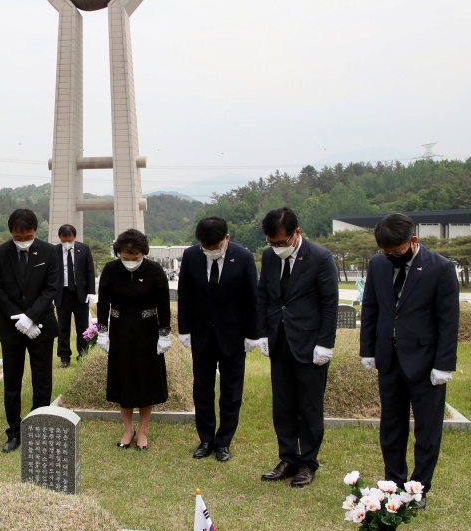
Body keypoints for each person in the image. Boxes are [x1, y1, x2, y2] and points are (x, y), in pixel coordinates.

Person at [360, 213, 459, 507]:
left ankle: (418, 488)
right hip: (388, 360)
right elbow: (371, 309)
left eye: (396, 251)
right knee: (391, 426)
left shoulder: (440, 268)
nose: (390, 256)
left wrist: (444, 364)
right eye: (385, 251)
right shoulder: (377, 265)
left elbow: (448, 320)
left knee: (427, 429)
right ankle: (393, 483)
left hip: (426, 362)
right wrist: (368, 350)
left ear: (412, 241)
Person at [257, 207, 338, 488]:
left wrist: (325, 344)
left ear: (296, 234)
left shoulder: (321, 258)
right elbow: (264, 296)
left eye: (282, 242)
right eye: (272, 242)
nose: (277, 247)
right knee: (283, 405)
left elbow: (329, 305)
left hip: (310, 344)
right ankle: (288, 458)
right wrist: (263, 334)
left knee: (309, 406)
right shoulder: (269, 257)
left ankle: (308, 462)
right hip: (279, 341)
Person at [177, 217, 259, 462]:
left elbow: (251, 298)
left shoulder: (243, 257)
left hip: (232, 335)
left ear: (227, 239)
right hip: (202, 334)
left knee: (231, 390)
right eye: (206, 247)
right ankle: (206, 439)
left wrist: (252, 334)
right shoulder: (191, 256)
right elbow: (184, 295)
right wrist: (184, 329)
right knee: (202, 388)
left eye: (215, 246)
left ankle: (224, 441)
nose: (211, 251)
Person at [0, 208, 59, 453]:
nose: (23, 242)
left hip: (41, 327)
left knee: (42, 380)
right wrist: (17, 318)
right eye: (18, 238)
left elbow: (51, 288)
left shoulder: (50, 252)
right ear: (10, 232)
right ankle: (14, 432)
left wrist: (30, 318)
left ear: (35, 231)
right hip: (11, 328)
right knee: (12, 381)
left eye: (27, 237)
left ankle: (38, 428)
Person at [95, 229, 171, 450]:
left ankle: (143, 432)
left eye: (135, 258)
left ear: (143, 253)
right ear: (118, 253)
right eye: (125, 258)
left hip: (147, 334)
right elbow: (103, 303)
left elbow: (164, 304)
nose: (130, 262)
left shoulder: (155, 271)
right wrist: (102, 331)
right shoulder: (110, 270)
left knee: (145, 383)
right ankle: (128, 429)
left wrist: (164, 334)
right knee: (124, 382)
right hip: (120, 332)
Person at [54, 224, 96, 368]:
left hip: (80, 294)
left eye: (69, 240)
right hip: (62, 294)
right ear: (59, 238)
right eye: (64, 240)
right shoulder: (54, 251)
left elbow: (90, 271)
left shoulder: (83, 249)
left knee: (82, 327)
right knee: (63, 327)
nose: (67, 243)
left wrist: (91, 293)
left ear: (74, 237)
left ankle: (83, 354)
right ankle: (64, 357)